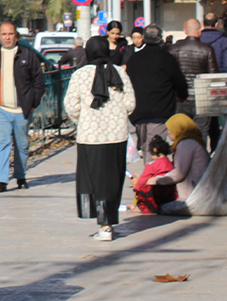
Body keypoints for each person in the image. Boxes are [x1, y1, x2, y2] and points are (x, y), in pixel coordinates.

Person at [62, 35, 136, 241]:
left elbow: (71, 105)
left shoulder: (80, 75)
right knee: (112, 179)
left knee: (93, 179)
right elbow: (130, 103)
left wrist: (83, 119)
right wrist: (117, 116)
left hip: (90, 136)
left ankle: (102, 225)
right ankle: (107, 224)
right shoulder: (120, 72)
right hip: (116, 136)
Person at [0, 23, 45, 192]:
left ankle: (20, 176)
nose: (7, 37)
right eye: (4, 34)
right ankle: (1, 180)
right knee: (2, 143)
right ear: (0, 36)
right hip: (0, 108)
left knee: (21, 144)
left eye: (11, 34)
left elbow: (39, 82)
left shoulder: (27, 55)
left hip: (22, 110)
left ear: (16, 36)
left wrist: (32, 104)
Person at [125, 24, 189, 162]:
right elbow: (179, 80)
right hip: (160, 109)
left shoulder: (134, 59)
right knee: (154, 148)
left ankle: (150, 175)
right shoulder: (166, 58)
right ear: (160, 39)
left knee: (145, 145)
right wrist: (182, 96)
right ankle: (153, 178)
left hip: (138, 111)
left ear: (144, 38)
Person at [169, 19, 219, 150]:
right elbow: (213, 76)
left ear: (185, 30)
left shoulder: (174, 49)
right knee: (201, 132)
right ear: (200, 31)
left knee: (181, 132)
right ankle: (200, 161)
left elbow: (170, 75)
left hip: (181, 99)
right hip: (201, 98)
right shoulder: (207, 49)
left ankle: (181, 160)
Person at [153, 114, 212, 198]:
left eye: (170, 129)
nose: (168, 132)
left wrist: (156, 180)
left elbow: (179, 173)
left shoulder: (186, 144)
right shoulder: (191, 141)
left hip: (193, 195)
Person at [133, 136, 178, 213]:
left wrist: (136, 189)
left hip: (157, 193)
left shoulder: (153, 164)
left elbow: (143, 179)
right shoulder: (170, 163)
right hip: (171, 192)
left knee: (145, 189)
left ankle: (142, 207)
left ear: (155, 150)